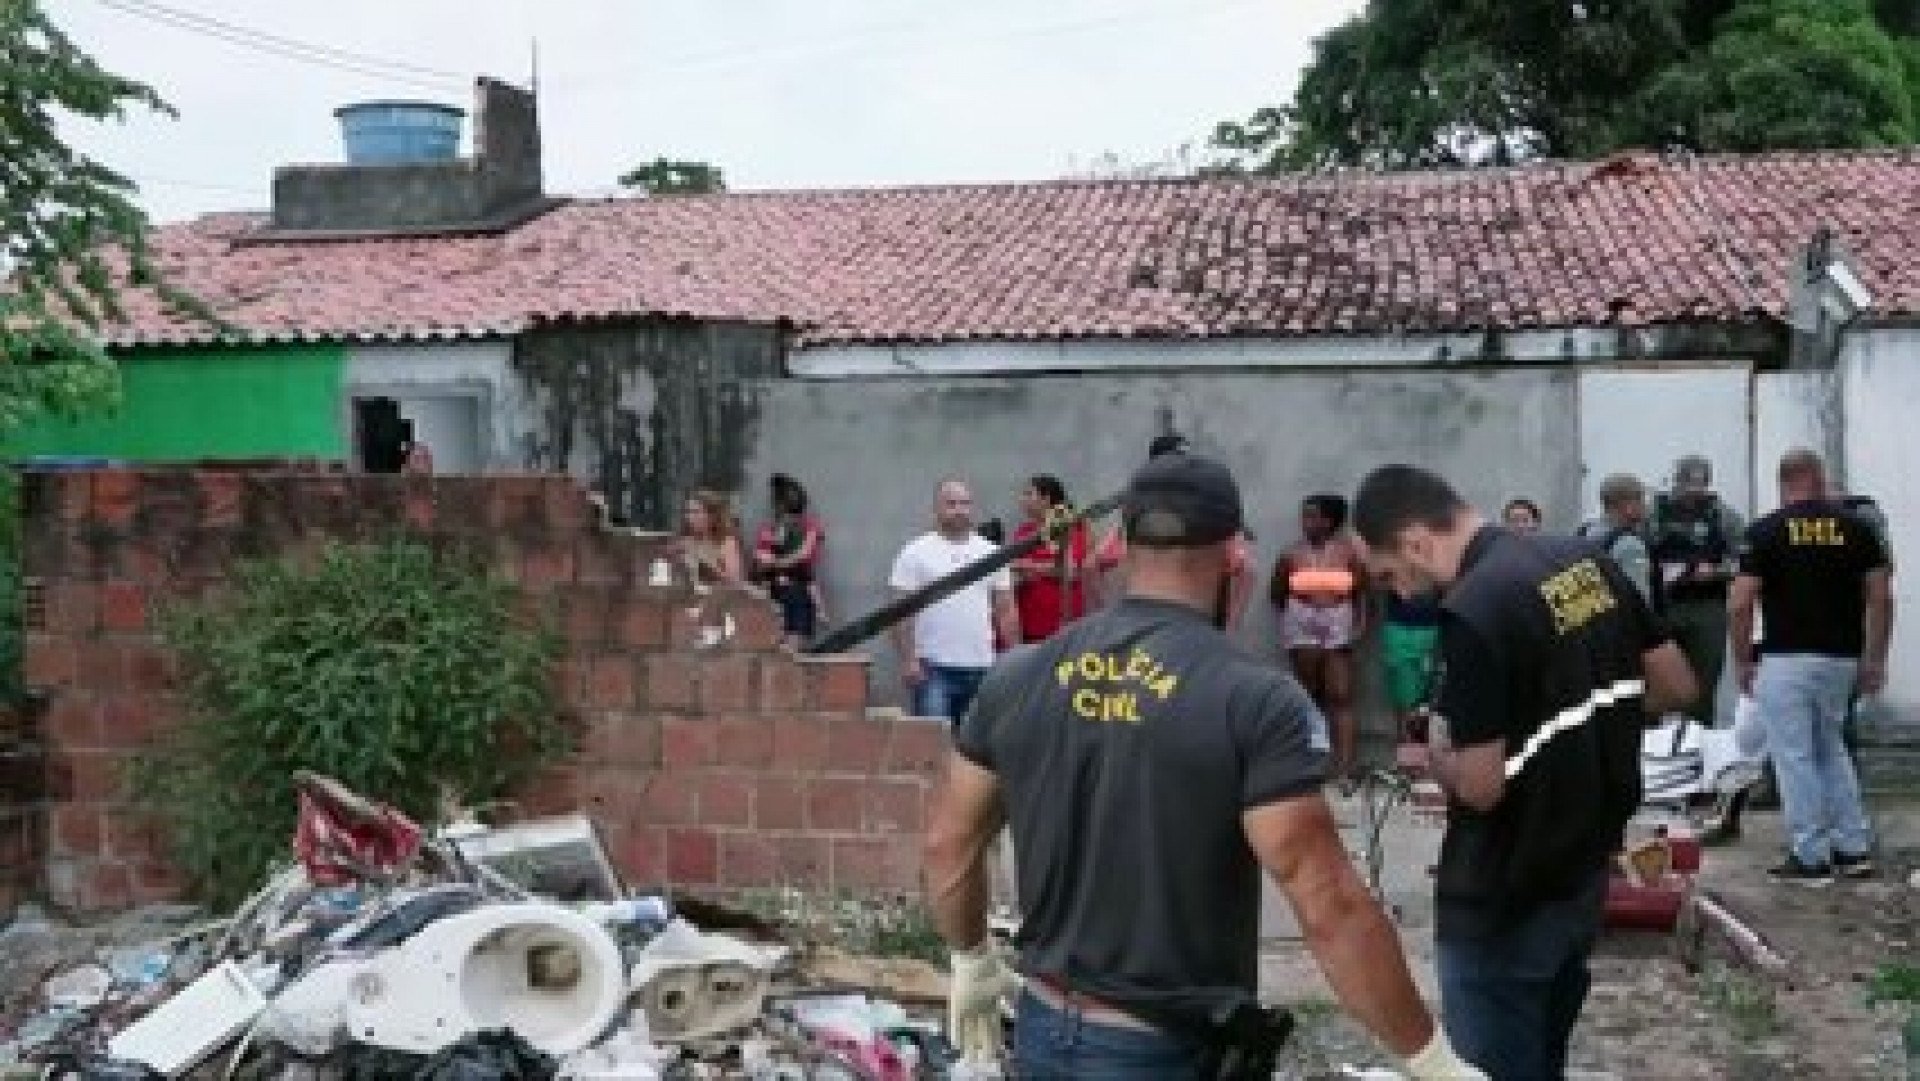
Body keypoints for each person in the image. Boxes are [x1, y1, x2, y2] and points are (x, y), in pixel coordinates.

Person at [925, 452, 1481, 1080]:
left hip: (1043, 1027)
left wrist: (970, 956)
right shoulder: (1253, 700)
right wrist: (1432, 1060)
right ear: (1235, 555)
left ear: (1120, 546)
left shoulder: (1019, 675)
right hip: (1162, 1048)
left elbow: (950, 840)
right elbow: (1328, 903)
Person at [1353, 464, 1696, 1079]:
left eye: (1388, 575)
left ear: (1415, 541)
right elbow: (1674, 685)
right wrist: (1577, 708)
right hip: (1582, 874)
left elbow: (1482, 787)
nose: (1399, 594)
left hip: (1503, 894)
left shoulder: (1473, 610)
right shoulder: (1584, 561)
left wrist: (1435, 757)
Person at [1728, 450, 1893, 884]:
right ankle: (1852, 847)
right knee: (1832, 749)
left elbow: (1741, 602)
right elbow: (1881, 597)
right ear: (1820, 479)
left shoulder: (1765, 531)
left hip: (1785, 656)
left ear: (1783, 482)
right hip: (1841, 657)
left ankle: (1810, 854)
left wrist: (1742, 658)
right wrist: (1874, 657)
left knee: (1793, 756)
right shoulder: (1859, 528)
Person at [889, 478, 1020, 725]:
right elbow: (900, 612)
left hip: (984, 668)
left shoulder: (992, 554)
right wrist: (908, 660)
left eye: (965, 503)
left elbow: (1006, 611)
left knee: (977, 754)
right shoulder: (914, 553)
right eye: (951, 504)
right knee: (933, 751)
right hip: (933, 670)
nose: (959, 510)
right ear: (936, 509)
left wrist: (1014, 660)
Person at [1091, 433, 1254, 626]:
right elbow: (1091, 565)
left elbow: (1246, 570)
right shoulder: (1140, 518)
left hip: (1176, 626)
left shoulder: (1144, 513)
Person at [1272, 494, 1371, 781]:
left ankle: (1344, 767)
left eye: (1314, 516)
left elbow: (1362, 592)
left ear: (1330, 521)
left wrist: (1359, 625)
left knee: (1340, 694)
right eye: (1304, 516)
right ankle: (1309, 764)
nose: (1307, 523)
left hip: (1338, 621)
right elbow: (1277, 592)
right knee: (1308, 694)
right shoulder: (1291, 554)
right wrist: (1293, 620)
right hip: (1301, 620)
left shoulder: (1349, 554)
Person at [1648, 455, 1745, 726]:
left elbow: (1745, 558)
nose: (1693, 491)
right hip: (1664, 606)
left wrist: (1717, 571)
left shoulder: (1723, 516)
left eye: (1699, 484)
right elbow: (1634, 549)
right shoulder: (1654, 514)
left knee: (1704, 683)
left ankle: (1698, 746)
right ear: (1676, 482)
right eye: (1687, 483)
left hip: (1707, 608)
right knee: (1657, 682)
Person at [1009, 475, 1090, 643]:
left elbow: (1072, 570)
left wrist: (1030, 566)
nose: (1022, 500)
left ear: (1046, 499)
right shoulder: (1024, 531)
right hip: (1029, 623)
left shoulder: (1068, 526)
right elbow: (1016, 569)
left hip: (1060, 624)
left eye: (1028, 494)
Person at [751, 474, 827, 649]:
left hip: (797, 591)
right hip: (773, 592)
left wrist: (774, 562)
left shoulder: (809, 527)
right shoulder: (769, 530)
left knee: (794, 648)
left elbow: (804, 557)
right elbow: (760, 562)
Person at [1577, 474, 1657, 609]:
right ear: (1628, 507)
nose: (1645, 506)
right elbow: (1638, 600)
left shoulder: (1583, 533)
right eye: (1642, 500)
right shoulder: (1630, 545)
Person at [1380, 585, 1443, 744]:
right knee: (1405, 700)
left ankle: (1418, 754)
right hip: (1400, 628)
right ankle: (1408, 755)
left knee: (1429, 699)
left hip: (1433, 628)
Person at [675, 489, 744, 586]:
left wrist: (706, 568)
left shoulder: (726, 541)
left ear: (712, 516)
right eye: (688, 512)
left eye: (696, 512)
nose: (689, 517)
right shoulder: (686, 540)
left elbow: (734, 581)